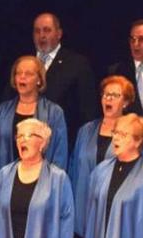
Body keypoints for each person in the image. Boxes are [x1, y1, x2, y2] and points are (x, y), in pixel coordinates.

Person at [69, 75, 137, 238]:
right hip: (85, 205)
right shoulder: (86, 130)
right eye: (105, 95)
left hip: (114, 207)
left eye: (115, 95)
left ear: (126, 102)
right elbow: (74, 168)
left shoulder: (132, 133)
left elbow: (140, 171)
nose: (108, 99)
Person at [0, 56, 68, 176]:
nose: (22, 77)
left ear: (39, 80)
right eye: (18, 73)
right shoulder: (1, 111)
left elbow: (60, 154)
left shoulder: (54, 112)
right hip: (6, 179)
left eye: (28, 74)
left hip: (41, 182)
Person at [32, 12, 97, 143]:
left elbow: (87, 110)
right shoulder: (24, 63)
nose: (42, 36)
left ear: (59, 34)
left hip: (63, 140)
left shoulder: (77, 63)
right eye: (37, 31)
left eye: (47, 30)